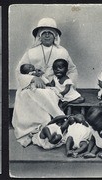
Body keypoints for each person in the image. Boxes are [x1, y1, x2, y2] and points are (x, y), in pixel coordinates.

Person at [12, 17, 79, 147]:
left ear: (55, 36)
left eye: (50, 33)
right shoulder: (31, 52)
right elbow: (19, 71)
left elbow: (72, 70)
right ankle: (41, 126)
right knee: (27, 94)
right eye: (44, 33)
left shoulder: (62, 51)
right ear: (39, 36)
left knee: (46, 94)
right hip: (32, 85)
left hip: (53, 86)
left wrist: (69, 86)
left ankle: (51, 124)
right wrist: (33, 78)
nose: (47, 35)